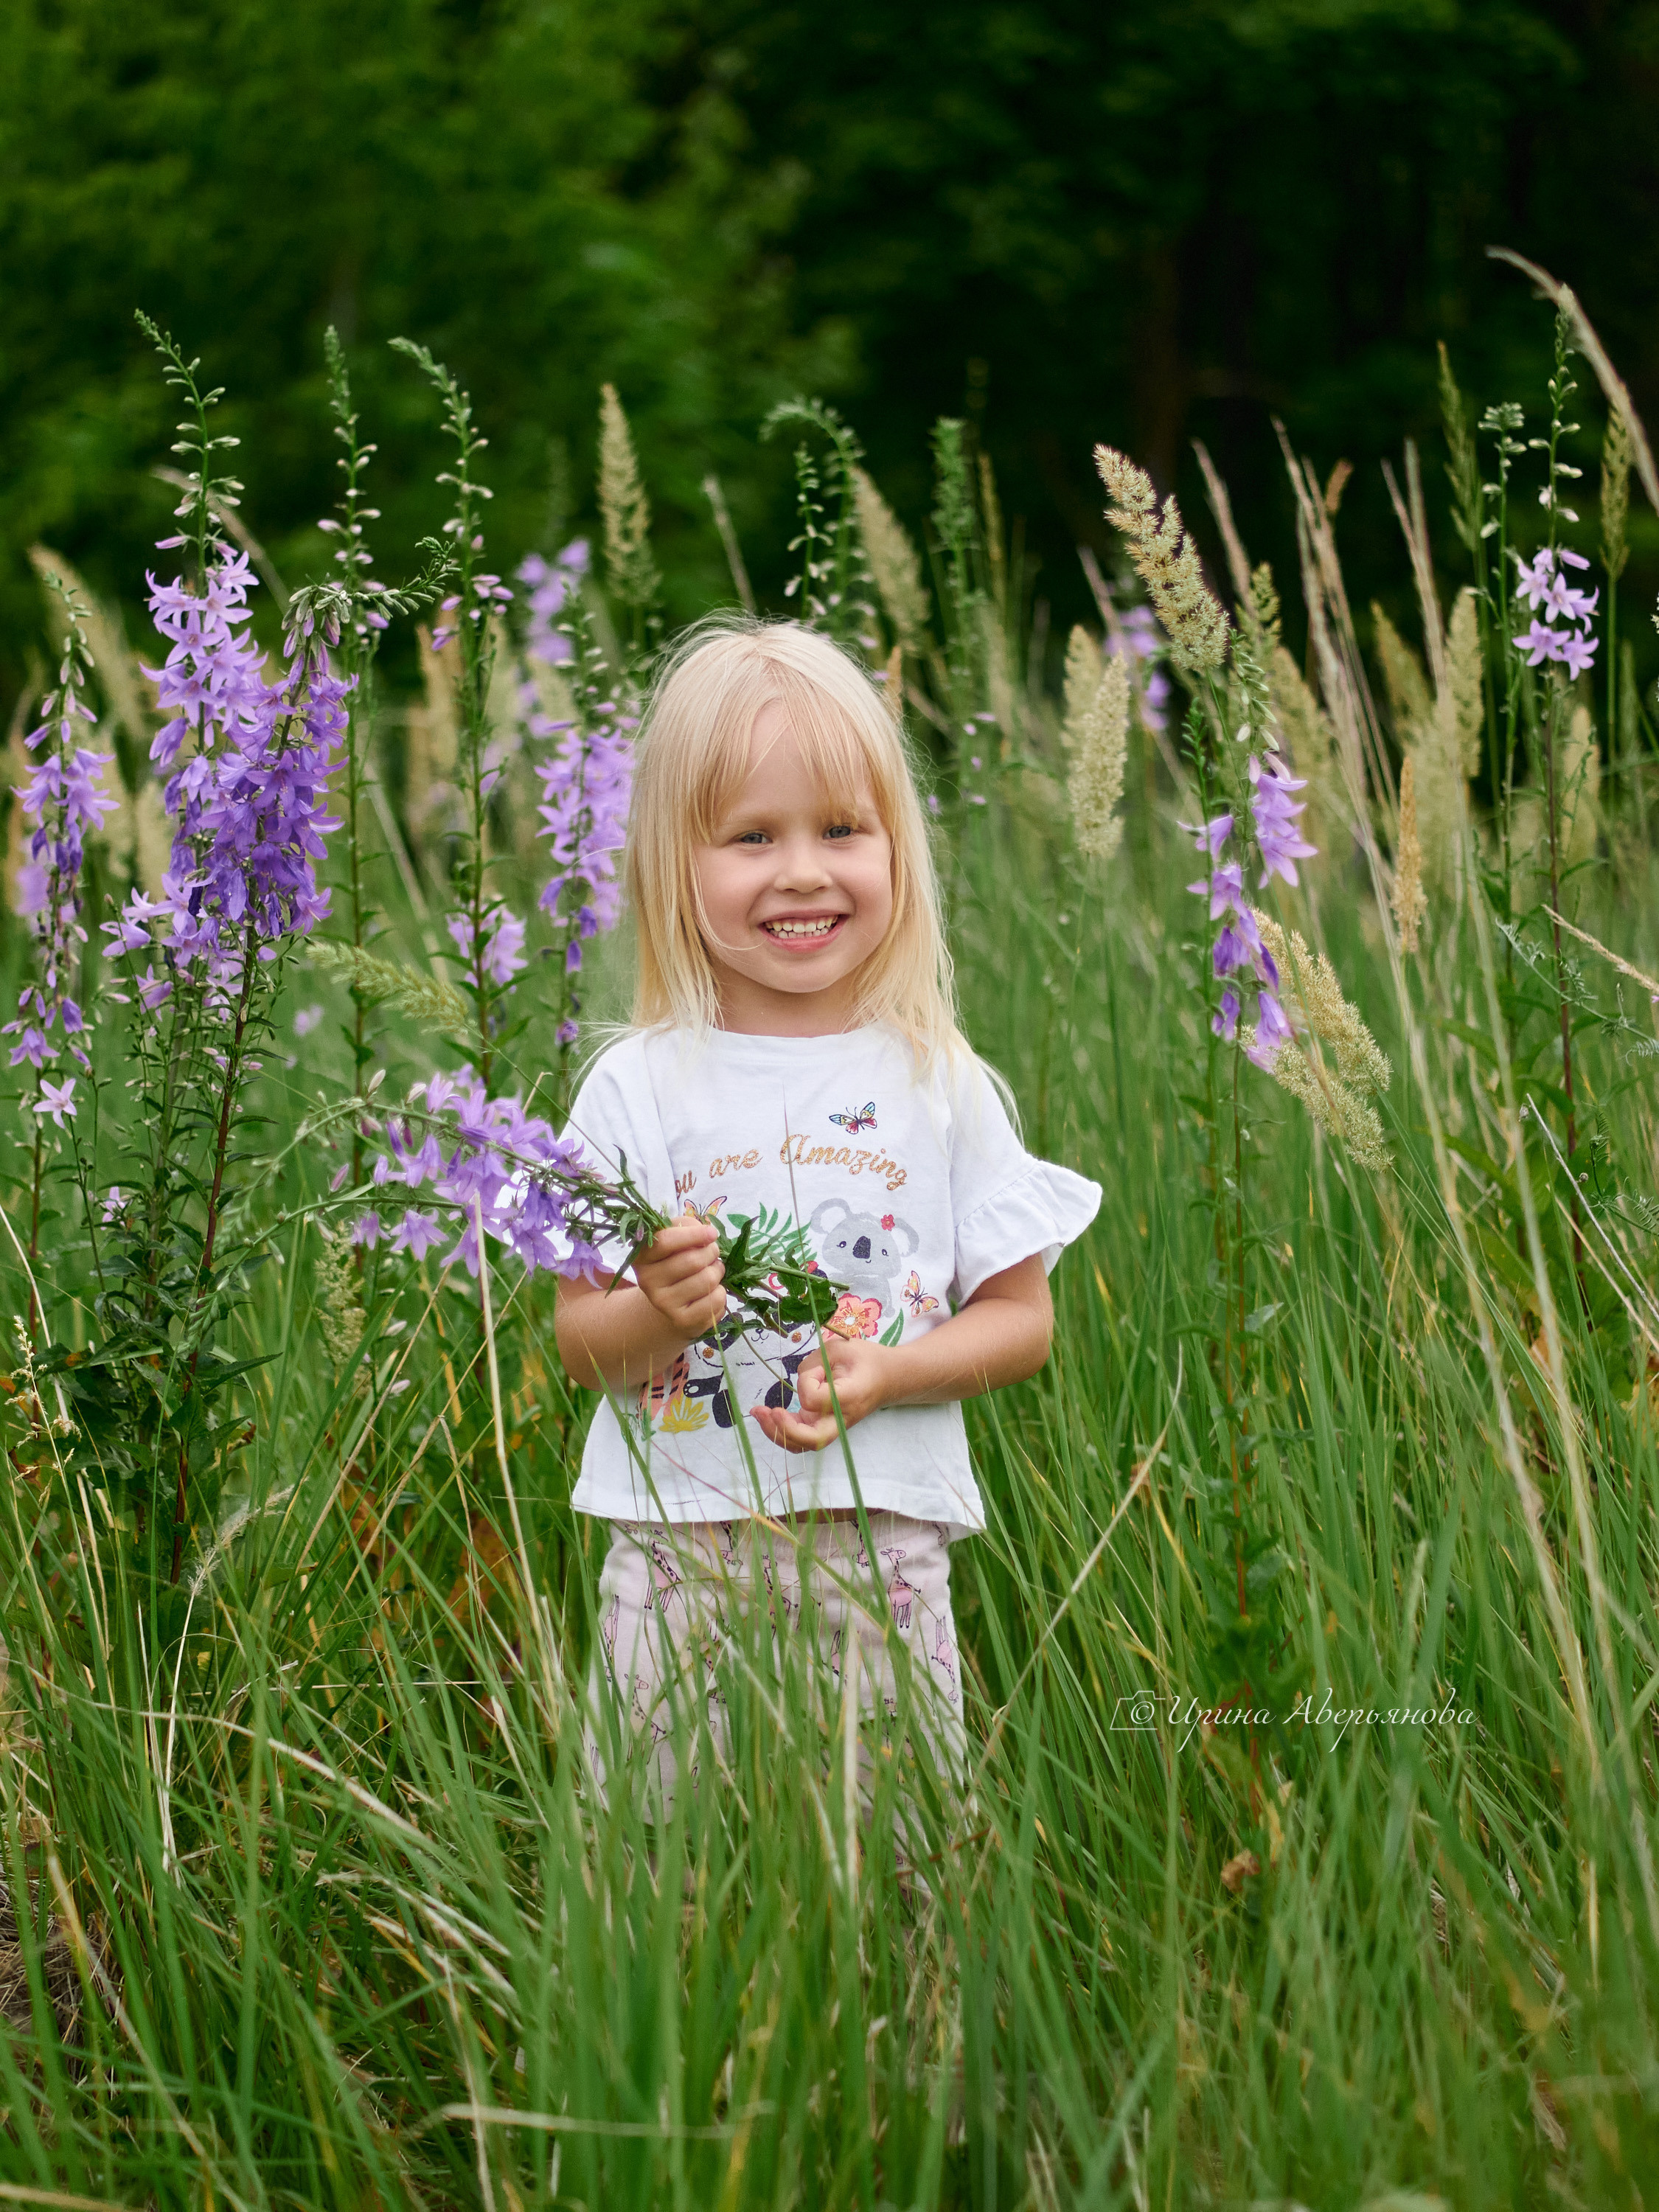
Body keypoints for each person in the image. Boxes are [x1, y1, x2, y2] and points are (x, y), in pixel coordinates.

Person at [554, 616, 1100, 1804]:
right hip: (675, 1556)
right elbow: (580, 1346)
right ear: (669, 865)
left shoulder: (934, 1076)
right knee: (656, 1859)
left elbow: (1019, 1320)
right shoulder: (634, 1084)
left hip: (883, 1547)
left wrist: (889, 1377)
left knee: (898, 1859)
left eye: (841, 830)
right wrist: (657, 1311)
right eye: (751, 836)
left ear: (895, 849)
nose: (802, 870)